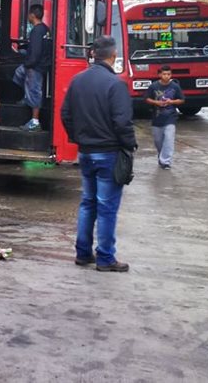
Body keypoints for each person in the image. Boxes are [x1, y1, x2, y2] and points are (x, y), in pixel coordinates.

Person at [61, 35, 137, 272]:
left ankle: (83, 253)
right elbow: (122, 122)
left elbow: (65, 114)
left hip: (86, 152)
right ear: (113, 56)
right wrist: (129, 145)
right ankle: (105, 258)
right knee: (106, 207)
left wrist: (78, 137)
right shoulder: (115, 85)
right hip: (108, 154)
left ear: (94, 54)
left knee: (88, 203)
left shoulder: (77, 81)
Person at [12, 4, 50, 130]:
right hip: (41, 64)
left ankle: (35, 122)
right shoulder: (45, 29)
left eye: (29, 14)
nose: (28, 16)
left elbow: (36, 51)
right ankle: (26, 97)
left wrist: (29, 64)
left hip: (35, 67)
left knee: (34, 91)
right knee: (18, 73)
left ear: (32, 15)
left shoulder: (36, 31)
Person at [146, 64, 185, 170]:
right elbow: (147, 98)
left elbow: (181, 99)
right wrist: (156, 102)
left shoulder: (175, 86)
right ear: (159, 74)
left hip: (170, 117)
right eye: (164, 74)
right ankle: (161, 156)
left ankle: (165, 161)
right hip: (157, 118)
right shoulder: (153, 86)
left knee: (169, 138)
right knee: (158, 141)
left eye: (168, 74)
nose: (166, 76)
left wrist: (171, 101)